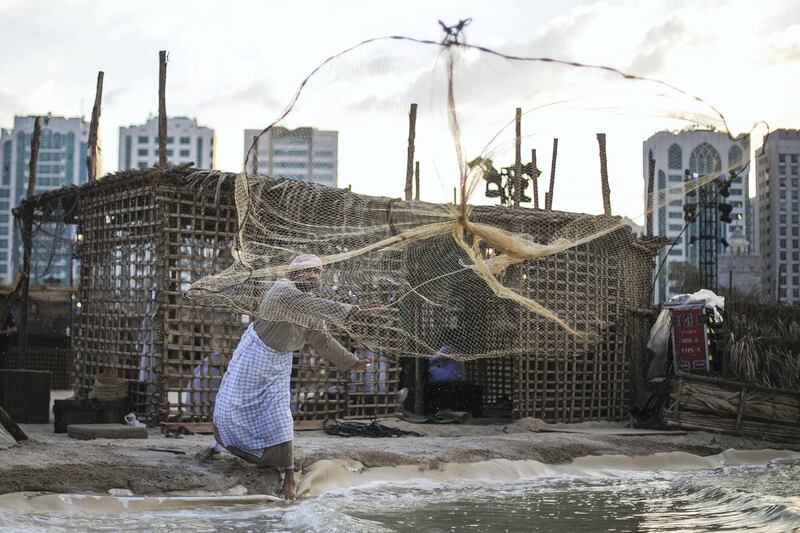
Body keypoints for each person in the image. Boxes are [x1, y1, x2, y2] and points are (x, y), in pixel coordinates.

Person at [205, 254, 368, 499]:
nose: (314, 276)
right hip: (254, 356)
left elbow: (321, 339)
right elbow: (311, 307)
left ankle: (289, 477)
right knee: (234, 406)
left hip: (279, 363)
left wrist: (351, 362)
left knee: (279, 415)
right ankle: (227, 445)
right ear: (293, 274)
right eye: (308, 271)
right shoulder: (282, 290)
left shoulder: (309, 304)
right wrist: (347, 310)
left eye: (317, 272)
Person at [0, 298, 17, 370]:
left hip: (3, 344)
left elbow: (14, 329)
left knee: (3, 365)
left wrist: (2, 332)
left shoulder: (7, 314)